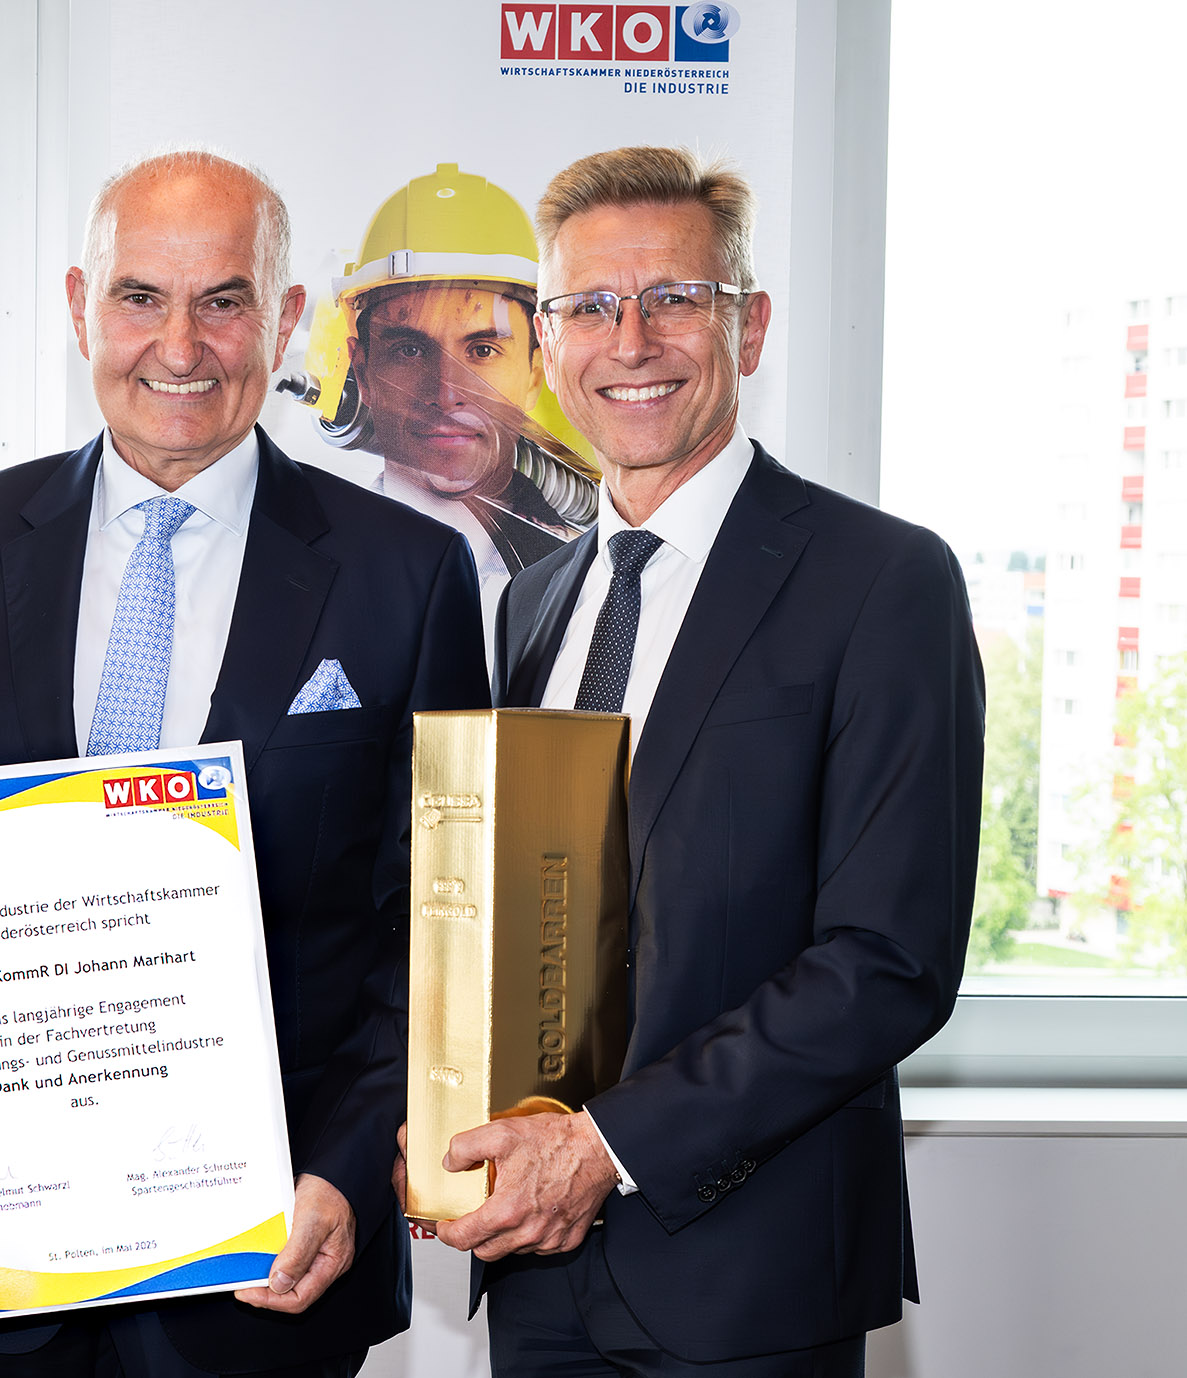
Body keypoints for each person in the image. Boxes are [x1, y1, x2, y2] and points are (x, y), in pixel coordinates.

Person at [0, 149, 489, 1377]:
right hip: (4, 1259)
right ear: (82, 306)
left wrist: (349, 1165)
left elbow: (442, 930)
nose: (180, 346)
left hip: (271, 1258)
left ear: (284, 321)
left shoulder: (409, 574)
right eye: (141, 297)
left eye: (223, 301)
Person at [436, 146, 985, 1374]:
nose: (631, 341)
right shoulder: (531, 602)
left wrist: (605, 1147)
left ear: (752, 323)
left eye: (674, 298)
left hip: (749, 1283)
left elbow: (887, 961)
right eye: (591, 306)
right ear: (547, 341)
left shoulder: (882, 581)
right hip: (535, 1273)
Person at [288, 164, 600, 641]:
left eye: (483, 350)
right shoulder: (299, 576)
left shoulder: (597, 586)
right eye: (409, 350)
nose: (447, 392)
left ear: (536, 373)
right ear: (362, 370)